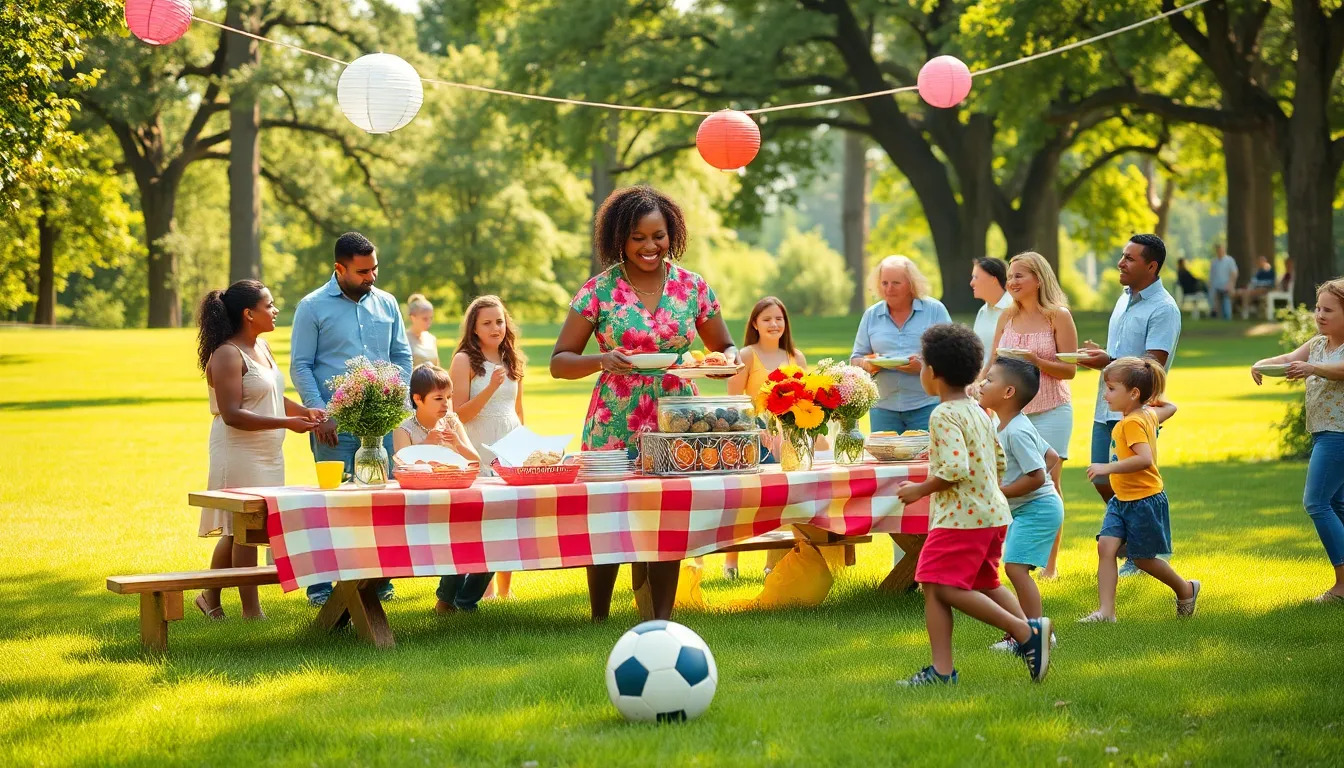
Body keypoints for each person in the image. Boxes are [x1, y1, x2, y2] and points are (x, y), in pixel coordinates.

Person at [551, 185, 739, 622]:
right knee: (607, 514)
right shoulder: (598, 291)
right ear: (619, 238)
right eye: (638, 237)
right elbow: (560, 362)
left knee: (667, 514)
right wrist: (602, 360)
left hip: (677, 415)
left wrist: (722, 363)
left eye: (658, 235)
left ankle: (662, 616)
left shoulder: (692, 287)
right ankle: (599, 615)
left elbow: (725, 345)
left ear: (671, 233)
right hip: (614, 416)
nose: (650, 246)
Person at [895, 323, 1051, 686]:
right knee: (984, 582)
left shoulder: (944, 414)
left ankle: (1020, 636)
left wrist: (920, 490)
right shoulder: (980, 411)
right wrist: (988, 492)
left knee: (937, 584)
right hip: (991, 513)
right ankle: (1031, 633)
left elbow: (953, 468)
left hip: (961, 518)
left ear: (932, 374)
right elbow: (996, 459)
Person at [290, 231, 414, 607]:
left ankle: (378, 582)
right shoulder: (311, 307)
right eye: (362, 271)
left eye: (374, 269)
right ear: (339, 268)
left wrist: (396, 402)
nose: (371, 277)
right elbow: (301, 365)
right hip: (334, 429)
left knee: (383, 506)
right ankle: (322, 588)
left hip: (383, 428)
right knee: (332, 508)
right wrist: (320, 411)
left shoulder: (388, 303)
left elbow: (402, 357)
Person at [195, 280, 324, 620]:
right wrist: (286, 424)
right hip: (238, 451)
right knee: (246, 530)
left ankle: (209, 597)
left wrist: (302, 412)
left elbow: (270, 395)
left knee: (240, 528)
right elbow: (233, 413)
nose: (275, 310)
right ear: (249, 314)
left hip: (267, 452)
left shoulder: (261, 348)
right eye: (269, 305)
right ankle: (252, 611)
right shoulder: (225, 354)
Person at [1078, 234, 1181, 577]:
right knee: (1101, 479)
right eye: (1122, 256)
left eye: (1130, 259)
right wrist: (1103, 358)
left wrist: (1107, 360)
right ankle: (1132, 544)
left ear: (1151, 266)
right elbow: (1120, 357)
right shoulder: (1123, 300)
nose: (1121, 263)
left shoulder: (1163, 308)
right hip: (1104, 406)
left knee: (1131, 481)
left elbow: (1152, 365)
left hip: (1135, 410)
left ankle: (1139, 554)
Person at [980, 252, 1077, 579]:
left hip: (1051, 410)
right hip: (1007, 413)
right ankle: (1010, 558)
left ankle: (1049, 566)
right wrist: (977, 388)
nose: (1012, 282)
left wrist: (1035, 360)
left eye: (1020, 275)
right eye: (1011, 275)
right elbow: (992, 362)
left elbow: (1070, 370)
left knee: (1049, 483)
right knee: (1005, 477)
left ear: (1039, 279)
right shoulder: (1006, 316)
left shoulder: (1057, 317)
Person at [1081, 357, 1197, 622]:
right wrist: (1146, 400)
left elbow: (1145, 459)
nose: (1105, 395)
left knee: (1143, 559)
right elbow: (1171, 406)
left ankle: (1185, 588)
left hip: (1143, 501)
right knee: (1106, 547)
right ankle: (1106, 612)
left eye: (1111, 389)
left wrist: (1106, 468)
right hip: (1122, 500)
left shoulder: (1132, 423)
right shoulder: (1144, 414)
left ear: (1132, 393)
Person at [1251, 278, 1344, 603]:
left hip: (1339, 434)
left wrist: (1312, 368)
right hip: (1323, 432)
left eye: (1328, 310)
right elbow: (1290, 358)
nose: (1320, 315)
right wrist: (1262, 364)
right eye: (1318, 308)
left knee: (1316, 503)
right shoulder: (1318, 342)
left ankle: (1343, 587)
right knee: (1335, 504)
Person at [391, 365, 492, 614]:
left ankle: (466, 601)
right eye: (438, 398)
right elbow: (403, 465)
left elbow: (475, 460)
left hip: (456, 496)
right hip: (421, 505)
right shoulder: (404, 428)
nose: (446, 404)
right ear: (417, 399)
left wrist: (457, 442)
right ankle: (447, 600)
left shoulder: (452, 422)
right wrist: (426, 444)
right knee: (456, 542)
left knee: (491, 539)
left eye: (449, 397)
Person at [978, 358, 1063, 650]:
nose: (981, 383)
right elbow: (1050, 456)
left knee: (1015, 569)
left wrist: (1003, 492)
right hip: (1028, 508)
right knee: (1012, 567)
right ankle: (1033, 632)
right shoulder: (1004, 423)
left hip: (1038, 510)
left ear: (1008, 392)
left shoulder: (1016, 431)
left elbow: (1038, 475)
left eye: (989, 380)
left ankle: (1032, 635)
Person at [723, 296, 810, 580]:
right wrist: (755, 429)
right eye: (767, 319)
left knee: (784, 501)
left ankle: (774, 564)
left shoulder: (797, 357)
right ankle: (731, 564)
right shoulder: (747, 355)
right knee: (744, 501)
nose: (774, 324)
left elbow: (805, 401)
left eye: (779, 319)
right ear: (755, 324)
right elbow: (734, 399)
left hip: (788, 438)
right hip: (752, 435)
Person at [450, 294, 526, 599]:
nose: (496, 327)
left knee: (509, 515)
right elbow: (458, 413)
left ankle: (504, 592)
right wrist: (491, 387)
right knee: (479, 519)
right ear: (474, 329)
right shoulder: (464, 360)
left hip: (510, 443)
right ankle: (483, 589)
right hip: (477, 443)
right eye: (487, 323)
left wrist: (527, 445)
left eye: (500, 321)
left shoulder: (513, 359)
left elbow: (518, 410)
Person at [850, 256, 952, 434]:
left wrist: (924, 366)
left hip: (927, 406)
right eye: (884, 283)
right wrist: (869, 364)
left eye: (896, 283)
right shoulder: (871, 315)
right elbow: (855, 358)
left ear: (911, 284)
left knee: (928, 460)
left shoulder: (935, 310)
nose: (889, 289)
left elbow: (953, 355)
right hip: (883, 408)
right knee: (886, 460)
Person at [970, 257, 1013, 365]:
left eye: (976, 277)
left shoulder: (1014, 308)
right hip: (980, 378)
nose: (971, 283)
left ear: (993, 279)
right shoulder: (983, 311)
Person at [406, 293, 440, 368]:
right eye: (425, 319)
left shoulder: (431, 338)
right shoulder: (404, 339)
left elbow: (437, 367)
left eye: (431, 318)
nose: (429, 322)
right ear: (412, 318)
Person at [1207, 243, 1239, 320]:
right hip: (1216, 285)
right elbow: (1211, 275)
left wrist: (1230, 284)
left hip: (1226, 284)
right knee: (1212, 296)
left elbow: (1234, 273)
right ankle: (1215, 313)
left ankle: (1228, 316)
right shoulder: (1214, 262)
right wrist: (1210, 283)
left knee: (1226, 298)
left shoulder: (1229, 260)